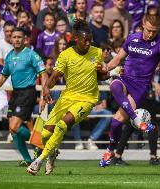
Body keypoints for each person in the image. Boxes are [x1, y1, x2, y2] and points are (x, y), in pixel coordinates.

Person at [99, 14, 160, 167]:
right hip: (125, 79)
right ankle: (137, 120)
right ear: (143, 24)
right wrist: (106, 69)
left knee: (116, 122)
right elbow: (118, 59)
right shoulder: (132, 38)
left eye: (154, 31)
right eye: (148, 30)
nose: (151, 34)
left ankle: (110, 152)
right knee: (113, 85)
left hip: (140, 87)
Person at [26, 19, 110, 175]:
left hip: (87, 99)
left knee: (63, 125)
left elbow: (101, 76)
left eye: (90, 41)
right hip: (67, 97)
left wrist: (111, 73)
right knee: (45, 134)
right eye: (85, 41)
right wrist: (45, 88)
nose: (88, 43)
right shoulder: (65, 55)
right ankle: (52, 153)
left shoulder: (97, 52)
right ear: (75, 39)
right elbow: (55, 77)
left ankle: (38, 160)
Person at [0, 28, 48, 166]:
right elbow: (4, 75)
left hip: (27, 93)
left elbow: (43, 74)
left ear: (24, 39)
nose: (16, 39)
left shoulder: (31, 55)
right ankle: (28, 160)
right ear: (11, 39)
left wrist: (44, 96)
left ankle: (43, 145)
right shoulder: (9, 56)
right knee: (13, 130)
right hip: (15, 95)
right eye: (14, 37)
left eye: (19, 37)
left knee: (14, 127)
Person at [113, 82, 160, 166]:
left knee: (129, 128)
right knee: (151, 127)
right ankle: (153, 157)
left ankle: (117, 156)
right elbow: (141, 73)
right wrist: (154, 83)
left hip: (136, 95)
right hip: (142, 96)